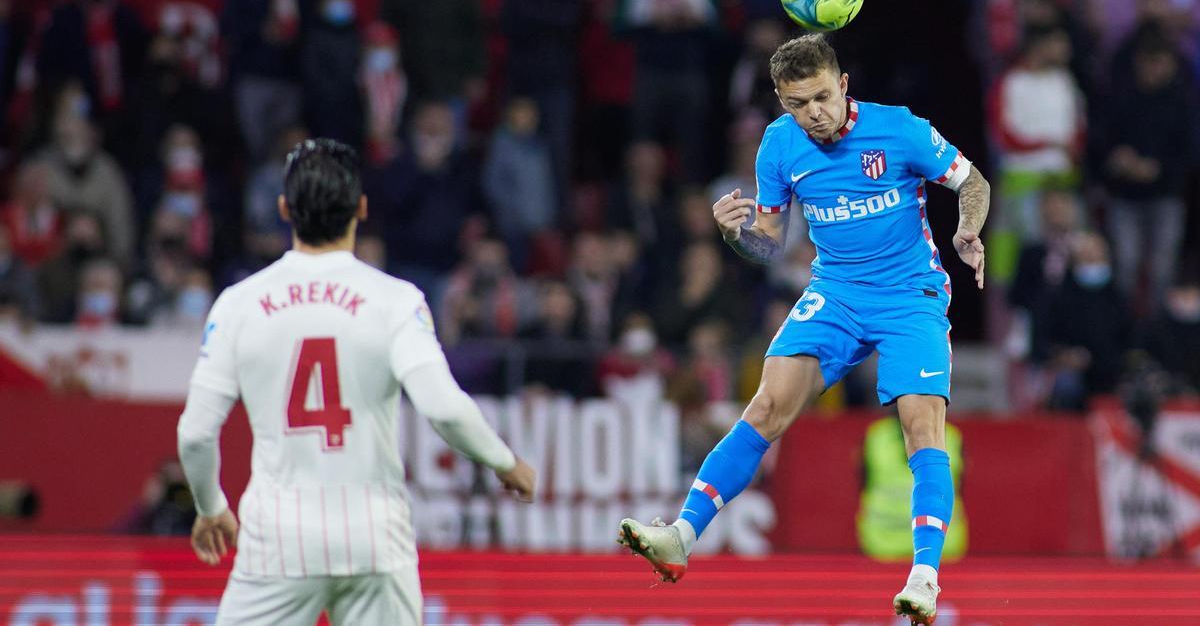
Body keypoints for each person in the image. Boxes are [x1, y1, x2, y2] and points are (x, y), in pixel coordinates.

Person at [617, 35, 991, 626]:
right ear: (780, 101)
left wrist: (967, 229)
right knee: (765, 407)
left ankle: (924, 578)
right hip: (835, 295)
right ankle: (682, 537)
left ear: (843, 85)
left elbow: (974, 182)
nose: (813, 113)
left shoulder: (900, 129)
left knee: (921, 428)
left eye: (821, 97)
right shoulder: (778, 146)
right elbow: (771, 242)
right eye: (797, 103)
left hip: (907, 295)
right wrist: (736, 233)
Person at [176, 139, 536, 624]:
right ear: (361, 209)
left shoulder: (238, 304)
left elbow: (196, 433)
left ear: (284, 209)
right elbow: (444, 407)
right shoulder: (394, 300)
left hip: (279, 540)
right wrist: (503, 460)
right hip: (374, 537)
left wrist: (211, 505)